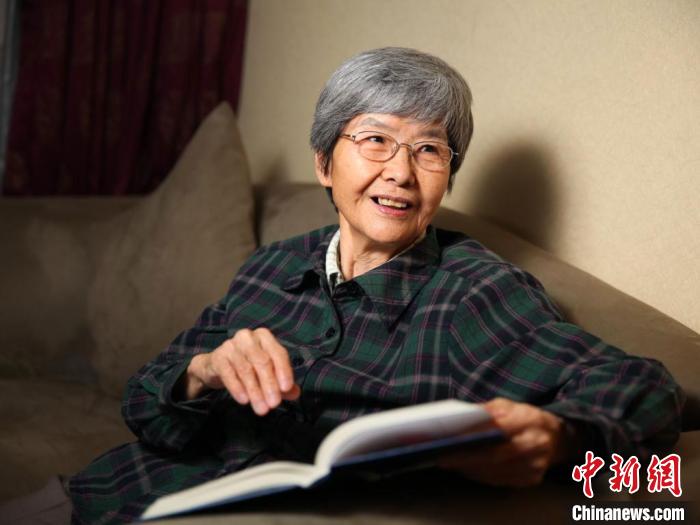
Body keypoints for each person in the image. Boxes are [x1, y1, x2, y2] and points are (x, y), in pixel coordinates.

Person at [68, 47, 684, 523]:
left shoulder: (473, 293)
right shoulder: (271, 266)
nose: (401, 173)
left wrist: (564, 435)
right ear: (323, 163)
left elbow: (642, 386)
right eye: (375, 140)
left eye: (429, 150)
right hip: (105, 491)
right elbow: (143, 406)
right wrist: (202, 372)